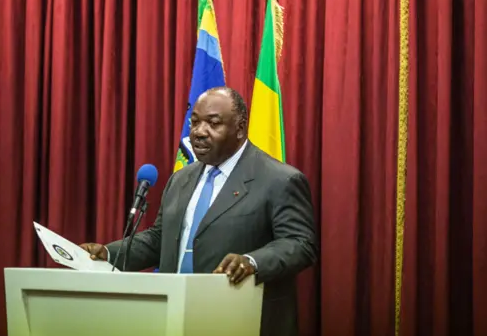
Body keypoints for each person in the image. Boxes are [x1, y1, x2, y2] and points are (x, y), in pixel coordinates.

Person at [80, 87, 317, 336]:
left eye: (213, 124)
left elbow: (301, 244)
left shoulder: (279, 179)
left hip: (242, 318)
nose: (199, 133)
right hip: (175, 318)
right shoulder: (180, 179)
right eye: (194, 123)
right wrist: (107, 254)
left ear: (240, 127)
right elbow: (159, 240)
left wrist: (251, 262)